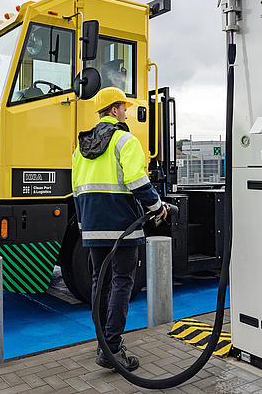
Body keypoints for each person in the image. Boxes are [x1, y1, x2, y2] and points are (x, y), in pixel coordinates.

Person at [72, 86, 167, 371]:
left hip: (91, 227)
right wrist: (156, 207)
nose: (127, 112)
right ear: (114, 110)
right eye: (123, 107)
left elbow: (76, 190)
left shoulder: (80, 148)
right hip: (122, 227)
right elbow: (137, 181)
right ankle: (112, 347)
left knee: (99, 283)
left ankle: (103, 342)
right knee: (122, 281)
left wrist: (83, 226)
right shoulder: (126, 141)